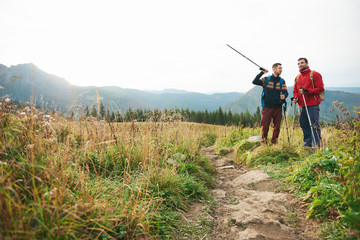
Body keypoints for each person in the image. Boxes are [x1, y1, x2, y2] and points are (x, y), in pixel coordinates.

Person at [252, 63, 288, 144]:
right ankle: (264, 142)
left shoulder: (282, 81)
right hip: (267, 107)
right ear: (274, 69)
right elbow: (254, 82)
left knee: (277, 127)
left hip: (278, 107)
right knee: (265, 126)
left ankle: (274, 143)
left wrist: (284, 96)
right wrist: (262, 72)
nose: (281, 70)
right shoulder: (266, 79)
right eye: (279, 68)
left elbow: (286, 92)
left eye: (281, 68)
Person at [292, 57, 324, 147]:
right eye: (298, 64)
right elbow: (295, 90)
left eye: (302, 63)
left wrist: (307, 91)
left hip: (312, 105)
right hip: (301, 105)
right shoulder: (297, 77)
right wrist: (295, 97)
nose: (300, 65)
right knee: (304, 125)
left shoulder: (315, 74)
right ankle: (307, 143)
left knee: (314, 125)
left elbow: (321, 88)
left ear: (307, 63)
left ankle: (316, 143)